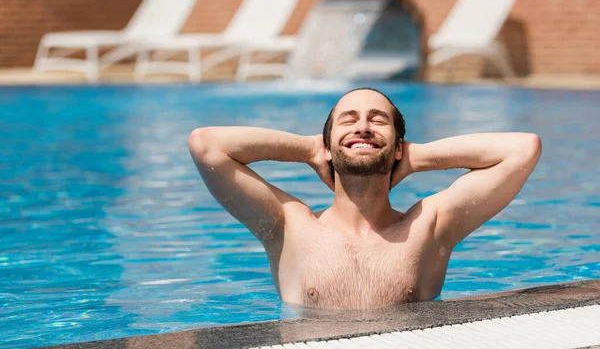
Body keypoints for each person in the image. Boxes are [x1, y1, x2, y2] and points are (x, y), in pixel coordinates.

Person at [188, 88, 542, 309]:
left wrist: (415, 157)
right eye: (348, 120)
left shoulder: (429, 227)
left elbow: (523, 149)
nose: (363, 127)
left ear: (399, 145)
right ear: (326, 145)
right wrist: (310, 148)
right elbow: (206, 145)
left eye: (377, 120)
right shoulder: (288, 225)